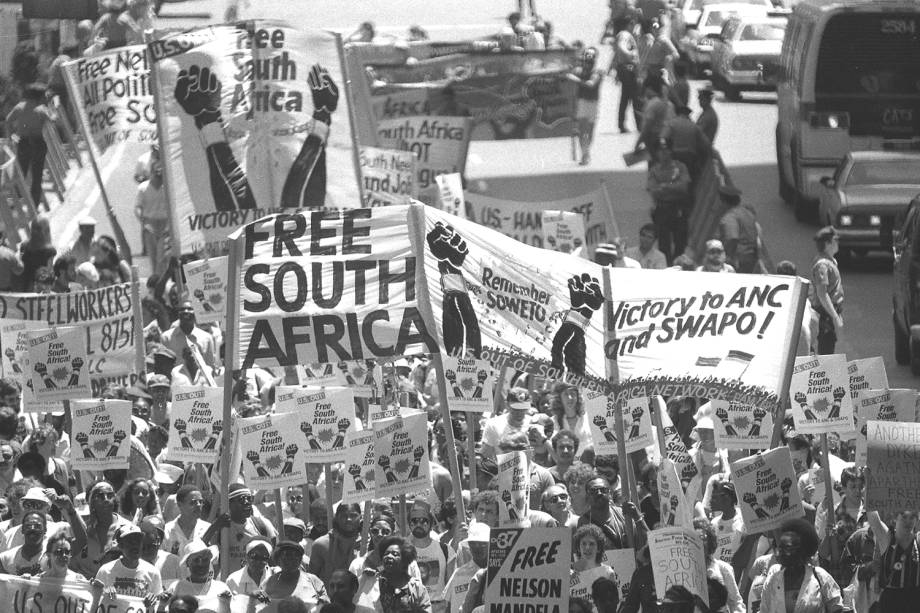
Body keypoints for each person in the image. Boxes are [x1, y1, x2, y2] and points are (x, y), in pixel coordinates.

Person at [760, 518, 843, 613]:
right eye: (780, 548)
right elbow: (764, 609)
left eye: (787, 548)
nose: (780, 553)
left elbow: (837, 608)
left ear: (802, 550)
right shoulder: (773, 577)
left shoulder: (820, 577)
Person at [206, 484, 277, 572]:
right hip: (231, 583)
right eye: (242, 499)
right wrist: (215, 526)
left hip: (259, 582)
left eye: (249, 499)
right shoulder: (221, 528)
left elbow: (275, 554)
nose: (247, 502)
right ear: (229, 504)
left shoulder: (262, 524)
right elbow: (201, 548)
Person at [5, 83, 53, 205]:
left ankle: (15, 201)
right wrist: (53, 110)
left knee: (21, 174)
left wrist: (11, 136)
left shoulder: (19, 107)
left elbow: (7, 121)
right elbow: (53, 120)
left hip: (24, 143)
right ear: (39, 96)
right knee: (37, 177)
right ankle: (34, 205)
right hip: (37, 143)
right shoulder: (41, 109)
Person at [93, 524, 162, 606]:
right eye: (130, 542)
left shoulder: (153, 572)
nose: (135, 546)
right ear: (120, 546)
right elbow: (94, 601)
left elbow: (159, 604)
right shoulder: (105, 571)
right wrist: (104, 593)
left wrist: (153, 599)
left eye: (138, 541)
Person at [359, 534, 431, 613]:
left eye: (395, 554)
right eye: (386, 553)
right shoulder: (374, 582)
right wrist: (365, 580)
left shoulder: (417, 588)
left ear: (404, 560)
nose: (389, 556)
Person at [74, 481, 131, 579]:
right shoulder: (84, 530)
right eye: (100, 496)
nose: (106, 499)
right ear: (92, 502)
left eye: (110, 495)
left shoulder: (128, 528)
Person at [647, 140, 691, 264]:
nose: (664, 153)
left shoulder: (680, 167)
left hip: (678, 208)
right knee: (663, 242)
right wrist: (673, 186)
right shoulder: (654, 170)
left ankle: (679, 265)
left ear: (671, 152)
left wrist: (665, 186)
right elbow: (653, 189)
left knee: (681, 242)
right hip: (662, 209)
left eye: (666, 150)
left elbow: (683, 187)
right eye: (661, 151)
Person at [867, 508, 920, 611]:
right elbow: (873, 517)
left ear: (917, 519)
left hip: (916, 600)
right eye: (904, 517)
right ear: (895, 518)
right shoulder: (886, 538)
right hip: (891, 601)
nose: (908, 521)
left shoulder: (918, 540)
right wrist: (870, 492)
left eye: (912, 517)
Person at [407, 500, 454, 613]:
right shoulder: (401, 551)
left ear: (432, 524)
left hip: (439, 609)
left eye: (424, 521)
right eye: (414, 521)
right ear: (409, 524)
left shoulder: (446, 550)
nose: (419, 524)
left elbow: (451, 589)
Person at [577, 476, 645, 550]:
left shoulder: (624, 514)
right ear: (587, 496)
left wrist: (638, 518)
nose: (599, 493)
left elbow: (645, 543)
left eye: (603, 490)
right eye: (593, 491)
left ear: (610, 494)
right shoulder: (583, 522)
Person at [694, 518, 744, 613]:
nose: (699, 543)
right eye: (694, 539)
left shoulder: (723, 568)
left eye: (702, 538)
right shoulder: (684, 572)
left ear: (710, 540)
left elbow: (736, 603)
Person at [135, 146, 170, 276]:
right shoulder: (143, 188)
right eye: (156, 173)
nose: (159, 175)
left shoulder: (168, 187)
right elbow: (138, 207)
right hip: (150, 226)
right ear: (152, 172)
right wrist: (142, 221)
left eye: (161, 173)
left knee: (162, 258)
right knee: (154, 260)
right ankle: (156, 282)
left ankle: (165, 281)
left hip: (166, 226)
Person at [262, 540, 329, 607]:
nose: (291, 559)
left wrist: (324, 599)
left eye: (296, 555)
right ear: (278, 559)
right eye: (286, 555)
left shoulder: (313, 581)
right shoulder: (268, 583)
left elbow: (325, 599)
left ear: (300, 560)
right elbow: (261, 606)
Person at [161, 539, 230, 603]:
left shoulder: (221, 588)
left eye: (205, 559)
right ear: (187, 563)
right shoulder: (176, 587)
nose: (201, 564)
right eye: (196, 560)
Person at [810, 226, 844, 354]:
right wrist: (834, 317)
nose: (838, 243)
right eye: (835, 240)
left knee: (830, 351)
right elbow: (822, 293)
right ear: (828, 243)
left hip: (830, 313)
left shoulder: (830, 261)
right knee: (826, 356)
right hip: (825, 315)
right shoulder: (822, 265)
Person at [309, 502, 360, 584]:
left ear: (360, 518)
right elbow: (312, 579)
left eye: (353, 515)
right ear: (336, 518)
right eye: (344, 516)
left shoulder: (367, 543)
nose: (349, 519)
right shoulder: (321, 544)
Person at [442, 522, 489, 613]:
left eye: (482, 544)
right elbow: (448, 607)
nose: (477, 547)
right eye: (473, 543)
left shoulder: (498, 574)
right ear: (469, 546)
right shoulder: (458, 574)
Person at [568, 48, 603, 165]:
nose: (587, 64)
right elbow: (566, 74)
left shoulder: (597, 72)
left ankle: (586, 151)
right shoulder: (578, 70)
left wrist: (576, 80)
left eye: (590, 62)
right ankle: (584, 154)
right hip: (582, 102)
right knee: (582, 130)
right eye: (586, 61)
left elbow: (591, 84)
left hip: (593, 103)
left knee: (590, 132)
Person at [570, 524, 618, 607]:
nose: (587, 547)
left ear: (599, 548)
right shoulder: (568, 573)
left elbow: (612, 605)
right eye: (583, 544)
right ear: (578, 547)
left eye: (591, 544)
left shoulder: (608, 573)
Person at [661, 105, 713, 183]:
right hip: (690, 156)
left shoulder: (671, 124)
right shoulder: (694, 126)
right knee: (691, 177)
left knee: (675, 176)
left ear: (677, 113)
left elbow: (663, 137)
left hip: (676, 154)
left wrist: (665, 150)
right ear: (687, 114)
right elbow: (706, 143)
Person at [161, 301, 219, 369]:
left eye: (190, 309)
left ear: (196, 313)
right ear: (178, 314)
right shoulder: (166, 337)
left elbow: (210, 366)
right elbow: (163, 365)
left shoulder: (207, 338)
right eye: (182, 309)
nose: (186, 311)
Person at [481, 387, 534, 459]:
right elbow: (485, 456)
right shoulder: (493, 424)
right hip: (502, 468)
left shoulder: (533, 423)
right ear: (507, 405)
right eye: (516, 408)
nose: (520, 412)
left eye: (523, 408)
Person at [718, 185, 760, 273]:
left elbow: (732, 238)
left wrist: (727, 256)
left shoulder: (730, 217)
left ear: (724, 202)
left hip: (739, 259)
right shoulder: (746, 212)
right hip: (752, 256)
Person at [162, 485, 210, 556]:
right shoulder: (167, 531)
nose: (199, 505)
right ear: (180, 505)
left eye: (201, 501)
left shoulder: (207, 528)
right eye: (193, 502)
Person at [612, 14, 641, 133]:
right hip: (628, 69)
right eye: (632, 24)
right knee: (634, 97)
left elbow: (615, 54)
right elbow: (620, 48)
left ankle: (622, 124)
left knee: (626, 97)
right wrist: (632, 55)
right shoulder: (625, 35)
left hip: (624, 68)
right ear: (629, 24)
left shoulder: (622, 35)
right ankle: (639, 124)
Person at [18, 214, 56, 292]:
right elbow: (49, 273)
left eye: (38, 229)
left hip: (27, 287)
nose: (36, 231)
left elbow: (21, 268)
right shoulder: (50, 250)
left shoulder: (24, 245)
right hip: (36, 289)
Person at [0, 510, 46, 575]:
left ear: (45, 530)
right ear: (22, 530)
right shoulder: (4, 560)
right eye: (28, 526)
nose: (32, 529)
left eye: (37, 526)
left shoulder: (51, 559)